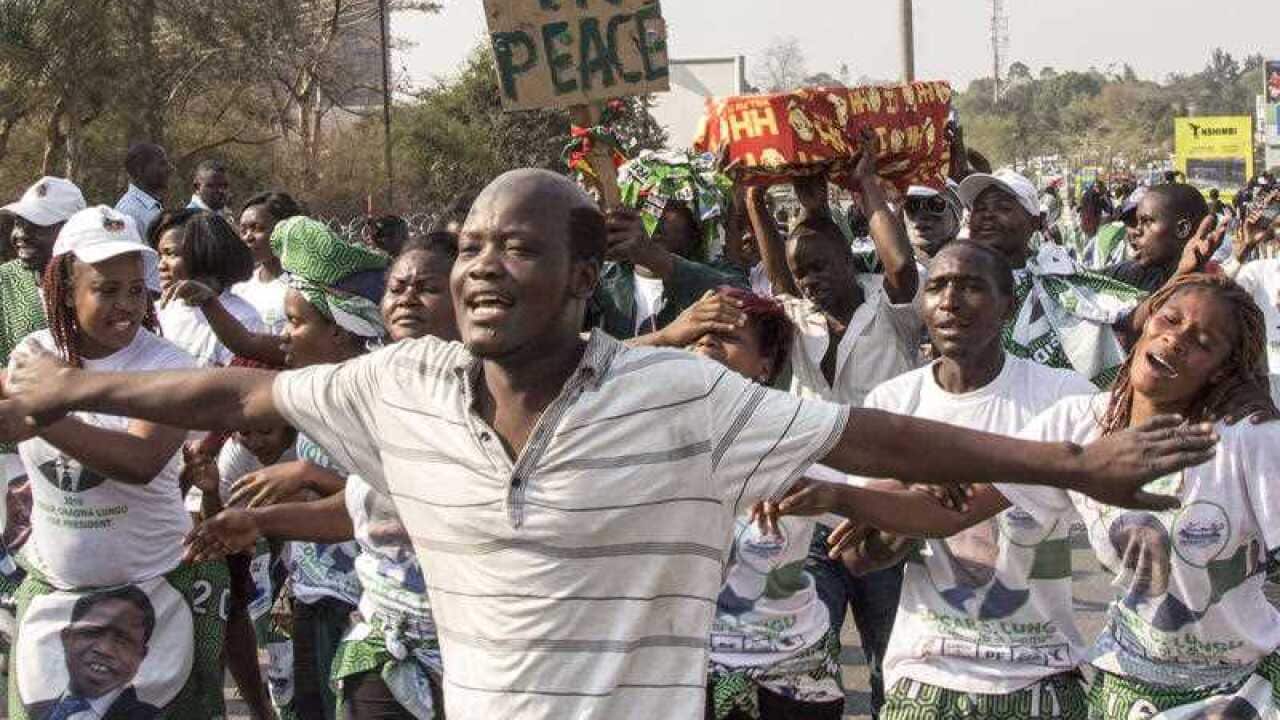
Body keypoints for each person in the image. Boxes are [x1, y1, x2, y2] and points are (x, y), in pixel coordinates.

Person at [0, 169, 1220, 720]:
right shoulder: (397, 384)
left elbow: (864, 428)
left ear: (586, 278)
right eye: (472, 243)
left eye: (520, 247)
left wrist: (1073, 464)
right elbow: (228, 396)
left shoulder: (674, 396)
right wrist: (71, 381)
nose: (483, 265)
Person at [769, 240, 1098, 719]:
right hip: (926, 675)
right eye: (938, 287)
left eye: (971, 287)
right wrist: (909, 505)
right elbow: (860, 558)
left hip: (1039, 670)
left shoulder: (1060, 398)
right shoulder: (893, 406)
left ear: (1007, 305)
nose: (950, 301)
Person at [186, 235, 459, 720]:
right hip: (343, 603)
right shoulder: (339, 392)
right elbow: (360, 504)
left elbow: (395, 503)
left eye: (294, 322)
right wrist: (260, 521)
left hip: (427, 624)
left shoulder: (469, 390)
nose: (284, 336)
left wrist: (301, 480)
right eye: (398, 286)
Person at [991, 275, 1280, 718]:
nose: (1175, 338)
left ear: (1222, 368)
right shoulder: (1081, 422)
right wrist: (858, 497)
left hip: (1240, 688)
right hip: (1126, 686)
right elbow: (971, 495)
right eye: (1168, 319)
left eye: (1202, 341)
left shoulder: (1249, 437)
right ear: (1147, 322)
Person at [4, 206, 228, 720]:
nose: (127, 305)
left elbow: (140, 460)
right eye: (107, 290)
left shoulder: (167, 367)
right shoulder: (33, 354)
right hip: (56, 596)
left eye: (135, 289)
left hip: (153, 595)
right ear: (65, 289)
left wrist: (39, 416)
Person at [747, 131, 921, 718]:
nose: (810, 280)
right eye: (803, 272)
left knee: (888, 658)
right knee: (806, 661)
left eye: (821, 266)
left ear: (850, 259)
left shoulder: (890, 311)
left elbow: (901, 264)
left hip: (884, 516)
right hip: (810, 520)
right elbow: (775, 278)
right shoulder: (799, 319)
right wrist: (753, 201)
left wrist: (867, 185)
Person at [958, 169, 1146, 386]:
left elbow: (1127, 311)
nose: (988, 215)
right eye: (980, 208)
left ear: (1035, 222)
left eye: (1003, 207)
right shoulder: (953, 284)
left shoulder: (1064, 278)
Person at [28, 587, 160, 720]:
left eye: (123, 641)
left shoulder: (157, 716)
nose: (104, 649)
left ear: (141, 656)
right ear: (66, 637)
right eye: (92, 632)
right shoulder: (30, 708)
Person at [150, 209, 259, 367]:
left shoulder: (243, 319)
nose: (161, 265)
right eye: (159, 256)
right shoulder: (157, 312)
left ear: (204, 252)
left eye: (171, 254)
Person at [1099, 183, 1210, 293]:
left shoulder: (1208, 293)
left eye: (1146, 221)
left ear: (1182, 229)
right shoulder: (1135, 274)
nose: (1137, 231)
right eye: (1133, 222)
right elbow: (1085, 280)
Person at [232, 192, 303, 334]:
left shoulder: (305, 287)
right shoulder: (239, 288)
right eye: (243, 230)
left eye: (258, 228)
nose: (248, 237)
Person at [114, 144, 169, 238]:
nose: (168, 169)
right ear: (139, 170)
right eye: (162, 164)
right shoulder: (129, 212)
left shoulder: (151, 206)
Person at [904, 182, 963, 264]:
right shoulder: (884, 265)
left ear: (956, 219)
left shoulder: (975, 269)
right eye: (912, 205)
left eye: (935, 204)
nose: (921, 214)